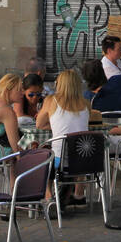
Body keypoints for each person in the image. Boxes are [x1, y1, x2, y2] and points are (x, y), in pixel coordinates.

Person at [37, 69, 93, 204]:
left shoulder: (51, 100)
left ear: (58, 84)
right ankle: (79, 194)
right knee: (80, 147)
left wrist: (56, 126)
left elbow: (39, 124)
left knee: (41, 156)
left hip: (60, 160)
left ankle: (48, 195)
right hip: (85, 161)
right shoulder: (86, 103)